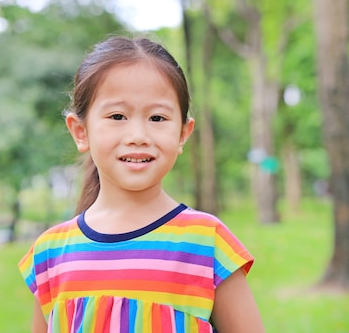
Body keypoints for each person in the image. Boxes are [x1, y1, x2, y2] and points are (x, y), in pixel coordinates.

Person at [18, 36, 264, 332]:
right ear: (81, 131)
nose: (138, 134)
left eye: (157, 117)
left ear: (183, 133)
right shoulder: (49, 253)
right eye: (117, 116)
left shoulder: (207, 242)